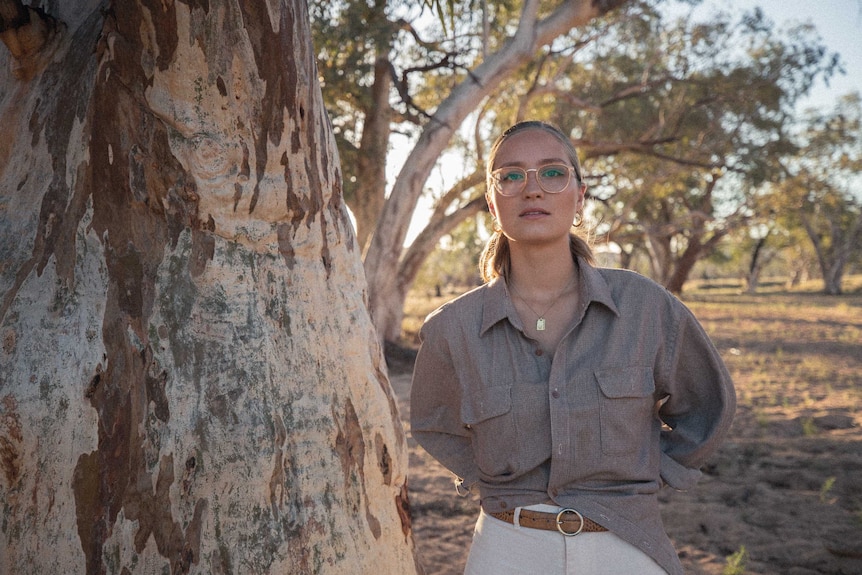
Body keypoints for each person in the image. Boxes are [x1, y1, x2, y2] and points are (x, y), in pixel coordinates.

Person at [410, 120, 736, 575]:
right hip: (506, 550)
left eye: (552, 173)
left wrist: (643, 474)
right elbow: (434, 424)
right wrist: (499, 479)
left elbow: (706, 405)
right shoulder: (453, 328)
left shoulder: (643, 307)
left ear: (579, 196)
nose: (532, 189)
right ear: (492, 202)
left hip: (627, 544)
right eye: (511, 176)